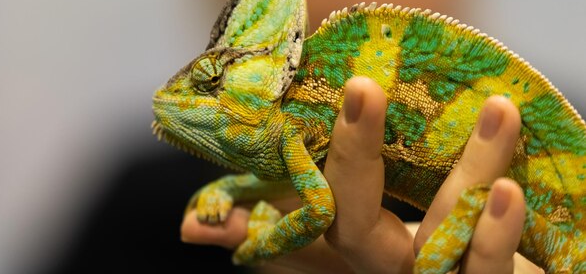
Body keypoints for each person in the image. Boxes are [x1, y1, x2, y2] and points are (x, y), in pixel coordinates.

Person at [181, 77, 543, 273]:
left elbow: (316, 201)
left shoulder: (295, 113)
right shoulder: (152, 193)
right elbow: (296, 170)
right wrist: (229, 190)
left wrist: (263, 244)